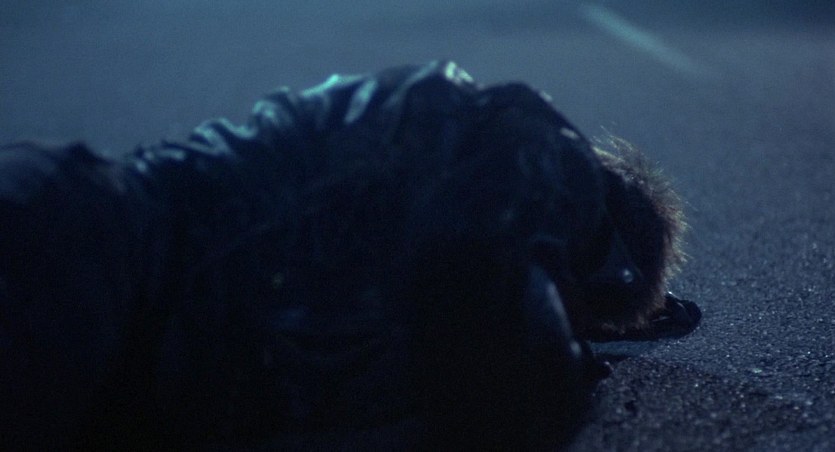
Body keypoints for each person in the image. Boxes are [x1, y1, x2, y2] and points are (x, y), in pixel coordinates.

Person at [0, 61, 698, 450]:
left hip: (95, 274)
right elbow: (476, 289)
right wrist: (556, 374)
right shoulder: (533, 154)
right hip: (91, 263)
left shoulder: (473, 174)